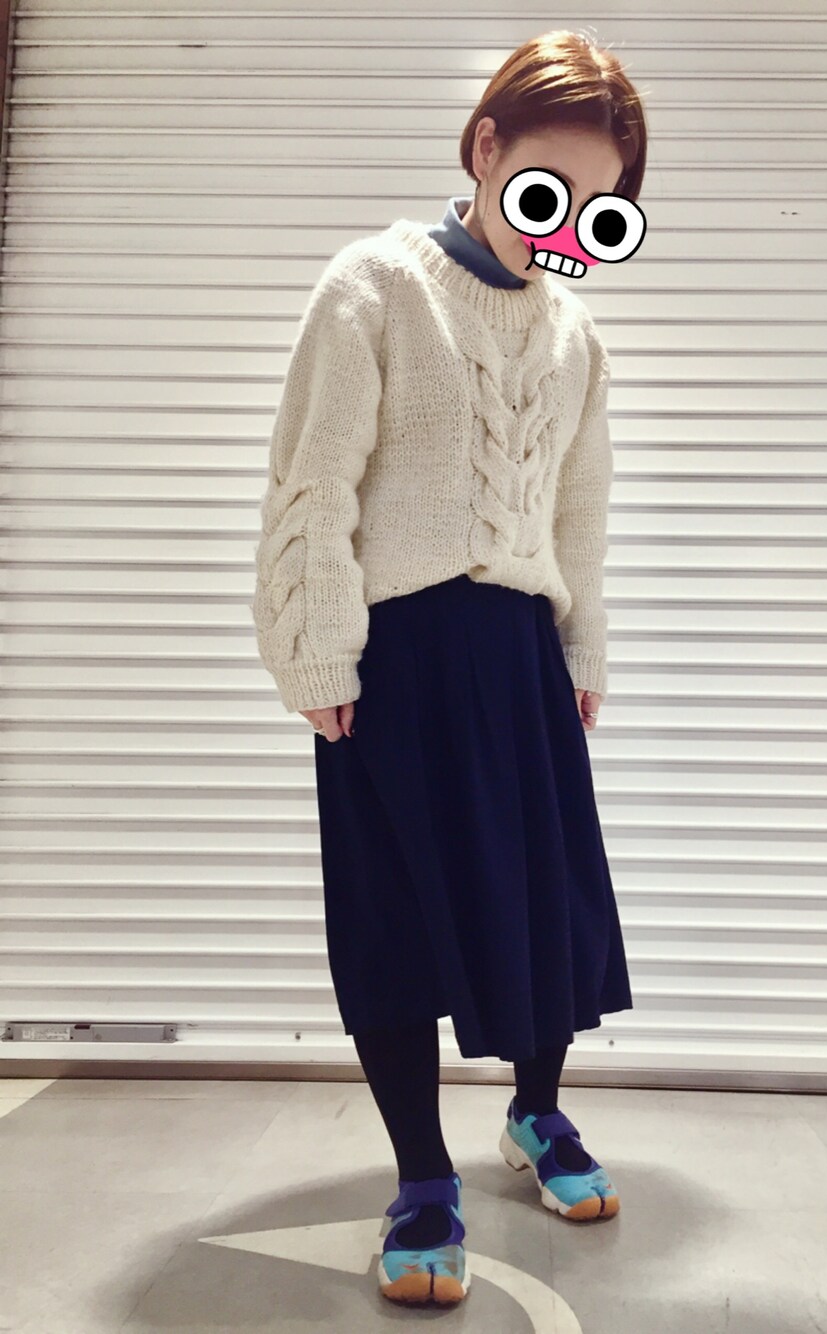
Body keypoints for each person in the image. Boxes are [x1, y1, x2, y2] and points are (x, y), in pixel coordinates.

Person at [252, 28, 648, 1307]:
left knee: (545, 908)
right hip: (396, 658)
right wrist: (314, 645)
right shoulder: (374, 284)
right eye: (547, 185)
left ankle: (536, 1110)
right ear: (484, 147)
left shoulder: (575, 331)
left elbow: (580, 510)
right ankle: (422, 1173)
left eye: (598, 204)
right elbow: (312, 481)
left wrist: (581, 646)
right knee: (394, 920)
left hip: (521, 657)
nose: (565, 222)